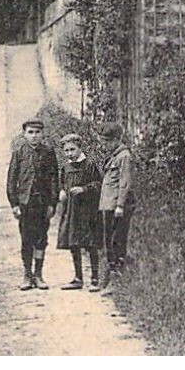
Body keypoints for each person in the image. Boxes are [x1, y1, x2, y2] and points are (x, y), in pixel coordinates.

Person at [6, 117, 58, 290]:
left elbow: (53, 180)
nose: (34, 136)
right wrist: (14, 204)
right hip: (25, 204)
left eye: (37, 132)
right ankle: (27, 274)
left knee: (41, 239)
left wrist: (52, 203)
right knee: (26, 239)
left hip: (42, 203)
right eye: (30, 132)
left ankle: (39, 274)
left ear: (43, 134)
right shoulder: (19, 153)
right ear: (24, 134)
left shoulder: (49, 153)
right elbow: (11, 181)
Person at [55, 133, 102, 290]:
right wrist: (61, 191)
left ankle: (95, 278)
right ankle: (78, 278)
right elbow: (61, 183)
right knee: (73, 243)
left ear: (79, 148)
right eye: (66, 150)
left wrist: (83, 189)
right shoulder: (66, 167)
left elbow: (98, 184)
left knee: (90, 244)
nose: (69, 153)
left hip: (87, 211)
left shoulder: (89, 165)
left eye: (72, 149)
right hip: (72, 210)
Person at [97, 122, 135, 291]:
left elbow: (124, 183)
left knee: (117, 241)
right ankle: (110, 274)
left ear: (115, 140)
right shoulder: (114, 155)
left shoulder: (124, 156)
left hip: (117, 207)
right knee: (108, 240)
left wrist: (120, 205)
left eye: (106, 141)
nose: (104, 145)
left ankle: (116, 278)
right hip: (108, 204)